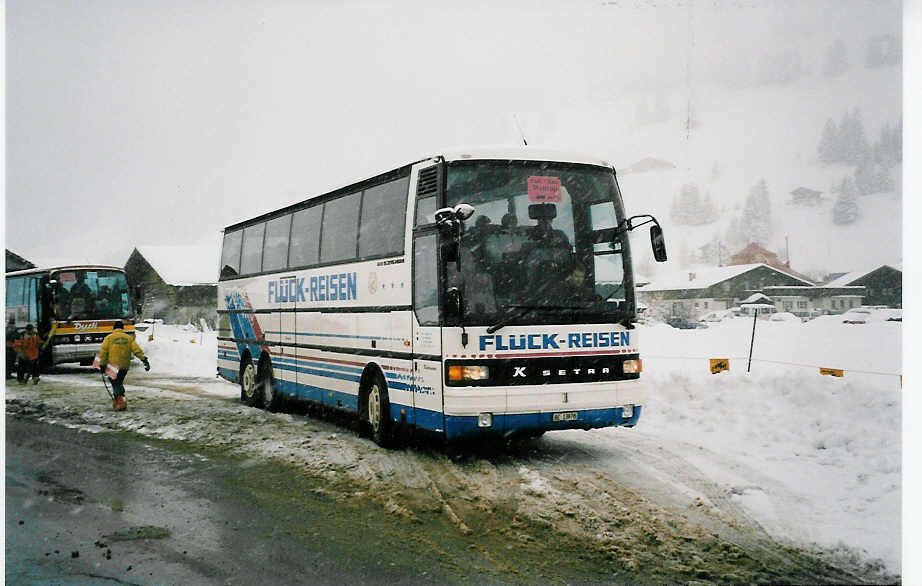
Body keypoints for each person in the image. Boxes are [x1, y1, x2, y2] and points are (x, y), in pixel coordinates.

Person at [98, 321, 150, 411]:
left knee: (115, 383)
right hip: (124, 366)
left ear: (114, 328)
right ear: (123, 328)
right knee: (119, 382)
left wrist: (102, 365)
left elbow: (103, 353)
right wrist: (144, 359)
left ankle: (120, 401)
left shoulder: (109, 338)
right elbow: (136, 350)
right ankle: (120, 400)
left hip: (112, 366)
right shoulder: (128, 338)